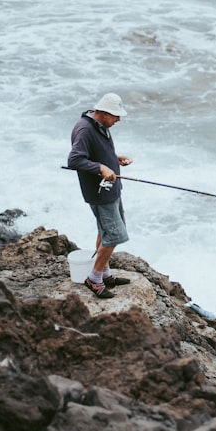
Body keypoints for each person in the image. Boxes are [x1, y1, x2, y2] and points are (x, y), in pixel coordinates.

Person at [67, 93, 134, 298]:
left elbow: (97, 152)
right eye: (115, 116)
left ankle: (104, 273)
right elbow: (75, 160)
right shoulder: (85, 129)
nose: (119, 120)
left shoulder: (100, 126)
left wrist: (114, 159)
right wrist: (100, 168)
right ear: (103, 113)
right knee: (114, 235)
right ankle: (94, 278)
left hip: (110, 190)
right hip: (100, 193)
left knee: (106, 232)